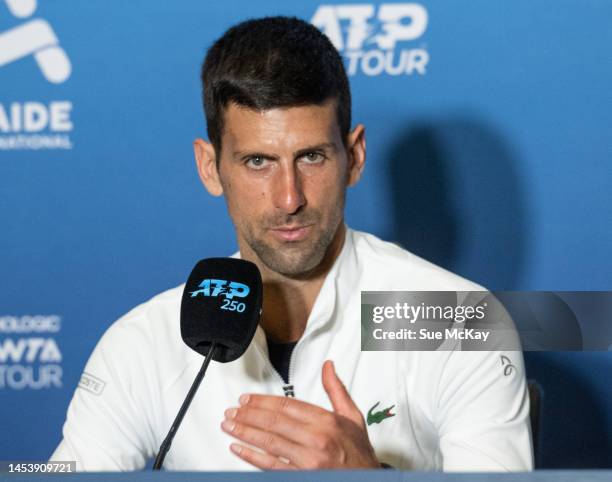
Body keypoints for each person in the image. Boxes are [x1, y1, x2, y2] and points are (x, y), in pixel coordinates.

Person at [51, 16, 533, 471]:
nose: (289, 198)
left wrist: (374, 477)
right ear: (209, 167)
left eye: (311, 157)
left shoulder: (458, 320)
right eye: (258, 162)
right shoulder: (144, 343)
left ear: (355, 156)